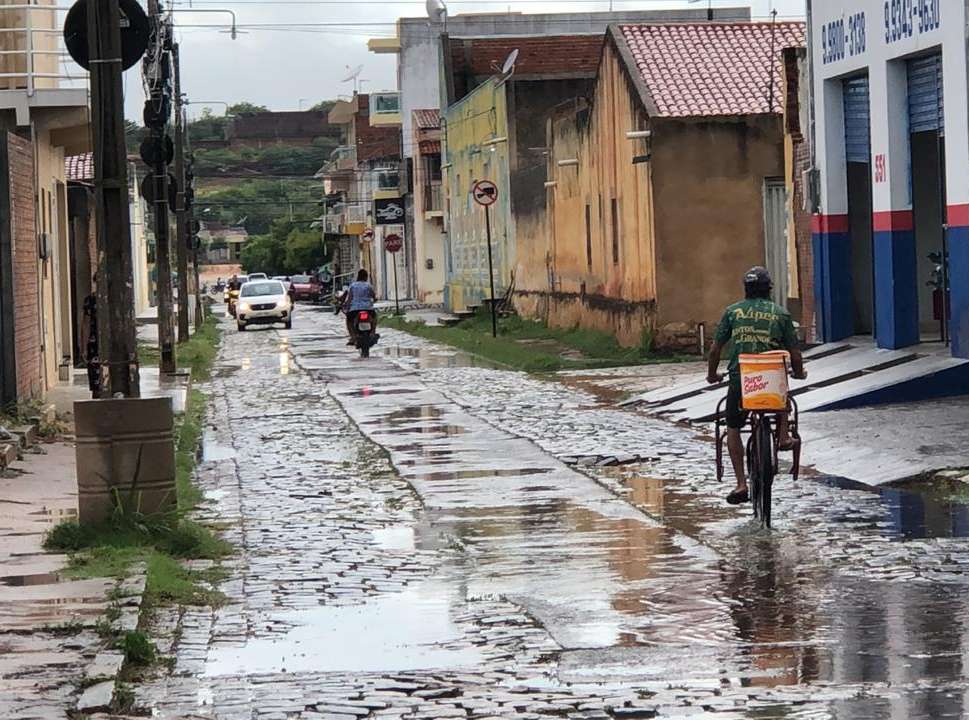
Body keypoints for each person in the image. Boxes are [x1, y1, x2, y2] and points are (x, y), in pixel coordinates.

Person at [706, 267, 807, 505]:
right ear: (769, 290)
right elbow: (795, 353)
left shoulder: (732, 312)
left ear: (746, 290)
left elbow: (715, 350)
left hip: (740, 379)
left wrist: (712, 375)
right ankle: (782, 437)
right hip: (771, 378)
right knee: (781, 392)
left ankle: (741, 484)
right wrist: (800, 372)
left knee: (732, 428)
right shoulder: (780, 314)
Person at [342, 268, 377, 345]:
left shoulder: (353, 285)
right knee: (374, 318)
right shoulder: (368, 285)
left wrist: (347, 307)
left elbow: (350, 298)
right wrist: (374, 300)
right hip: (368, 308)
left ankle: (353, 337)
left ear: (358, 276)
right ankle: (373, 332)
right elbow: (374, 296)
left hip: (355, 309)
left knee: (349, 321)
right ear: (366, 277)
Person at [80, 275, 101, 396]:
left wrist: (83, 347)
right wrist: (83, 346)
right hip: (94, 344)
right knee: (96, 380)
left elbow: (86, 324)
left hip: (95, 344)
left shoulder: (90, 300)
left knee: (96, 379)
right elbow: (86, 324)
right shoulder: (90, 301)